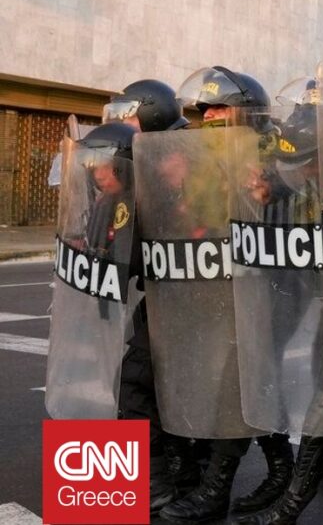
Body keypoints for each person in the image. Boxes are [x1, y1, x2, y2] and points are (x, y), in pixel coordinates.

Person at [157, 66, 293, 524]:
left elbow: (297, 200)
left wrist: (270, 190)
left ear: (247, 113)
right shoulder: (206, 159)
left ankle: (216, 488)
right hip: (220, 286)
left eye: (221, 107)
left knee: (235, 385)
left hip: (271, 289)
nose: (211, 115)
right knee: (253, 383)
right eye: (206, 109)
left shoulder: (273, 153)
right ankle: (283, 470)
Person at [233, 77, 323, 525]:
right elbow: (285, 181)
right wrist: (265, 191)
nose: (306, 170)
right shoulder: (300, 158)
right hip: (314, 282)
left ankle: (295, 498)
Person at [101, 79, 200, 514]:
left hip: (191, 296)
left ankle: (152, 483)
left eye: (129, 117)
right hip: (163, 293)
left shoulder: (183, 165)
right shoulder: (147, 164)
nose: (122, 124)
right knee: (158, 386)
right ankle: (183, 471)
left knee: (137, 384)